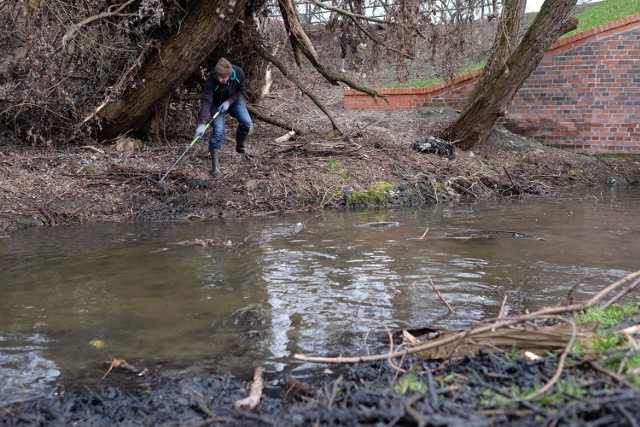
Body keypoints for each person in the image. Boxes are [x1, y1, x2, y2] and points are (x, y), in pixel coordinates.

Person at [194, 58, 253, 177]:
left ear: (230, 74)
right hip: (216, 104)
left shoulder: (239, 73)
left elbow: (240, 90)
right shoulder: (211, 79)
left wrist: (229, 102)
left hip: (233, 101)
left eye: (223, 78)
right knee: (219, 129)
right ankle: (215, 168)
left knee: (246, 123)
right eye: (218, 77)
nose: (220, 80)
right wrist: (202, 123)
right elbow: (206, 101)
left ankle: (240, 146)